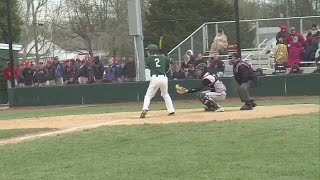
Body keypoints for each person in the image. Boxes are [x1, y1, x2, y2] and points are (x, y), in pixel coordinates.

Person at [140, 44, 175, 118]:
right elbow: (172, 61)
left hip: (155, 78)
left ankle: (145, 108)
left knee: (148, 95)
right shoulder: (163, 57)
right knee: (165, 94)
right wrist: (165, 57)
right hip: (164, 78)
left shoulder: (148, 59)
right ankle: (171, 110)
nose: (147, 52)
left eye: (148, 51)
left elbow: (149, 65)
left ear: (150, 51)